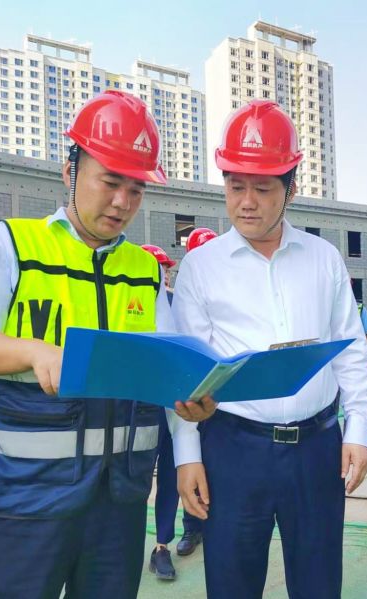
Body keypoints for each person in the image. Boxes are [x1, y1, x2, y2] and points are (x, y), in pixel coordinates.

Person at [0, 90, 188, 599]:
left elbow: (164, 363)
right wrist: (34, 351)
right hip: (25, 497)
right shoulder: (13, 243)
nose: (123, 202)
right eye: (111, 181)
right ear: (70, 170)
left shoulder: (144, 269)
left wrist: (189, 392)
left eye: (137, 188)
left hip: (119, 500)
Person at [171, 99, 367, 599]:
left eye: (262, 189)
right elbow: (187, 375)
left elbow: (348, 348)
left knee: (318, 582)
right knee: (233, 583)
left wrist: (360, 430)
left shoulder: (323, 259)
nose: (246, 202)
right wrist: (187, 456)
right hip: (234, 451)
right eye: (235, 186)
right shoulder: (202, 266)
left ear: (291, 188)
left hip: (317, 449)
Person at [141, 243, 203, 582]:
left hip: (172, 401)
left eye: (163, 266)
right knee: (133, 479)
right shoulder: (129, 298)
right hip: (138, 404)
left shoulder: (178, 301)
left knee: (170, 473)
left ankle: (161, 545)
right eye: (155, 266)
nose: (160, 273)